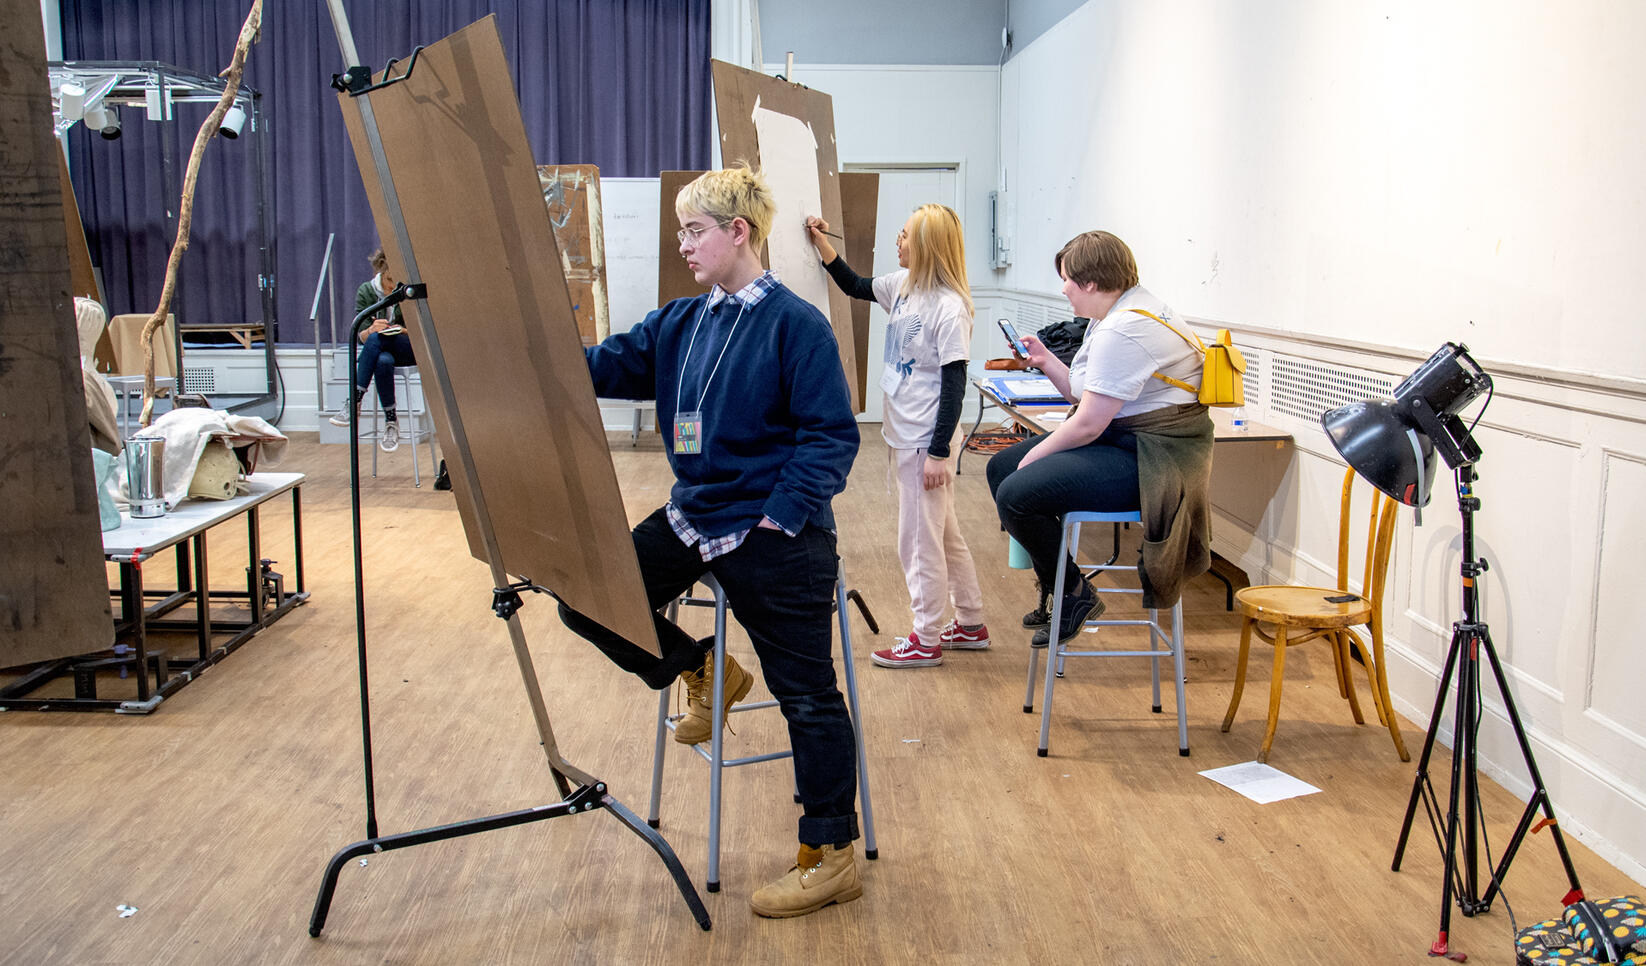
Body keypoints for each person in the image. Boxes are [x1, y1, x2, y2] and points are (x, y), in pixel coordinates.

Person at [556, 165, 864, 918]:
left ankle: (830, 851)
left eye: (695, 230)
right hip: (695, 517)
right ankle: (700, 668)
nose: (685, 244)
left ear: (738, 232)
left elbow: (831, 438)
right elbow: (596, 366)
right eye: (681, 231)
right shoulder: (683, 323)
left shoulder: (797, 325)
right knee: (588, 600)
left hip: (772, 531)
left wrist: (779, 515)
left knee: (808, 697)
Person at [986, 230, 1214, 648]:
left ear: (1091, 283)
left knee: (1016, 489)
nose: (1064, 288)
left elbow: (1088, 423)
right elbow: (1080, 391)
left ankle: (1075, 594)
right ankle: (1060, 587)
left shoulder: (1125, 330)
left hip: (1155, 460)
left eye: (1068, 279)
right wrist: (1044, 359)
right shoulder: (1113, 314)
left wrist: (1033, 456)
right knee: (1000, 468)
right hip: (1126, 441)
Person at [804, 206, 989, 668]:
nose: (897, 242)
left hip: (926, 439)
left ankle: (925, 637)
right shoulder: (902, 287)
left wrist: (938, 452)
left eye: (905, 236)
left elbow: (954, 386)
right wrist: (819, 242)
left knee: (917, 541)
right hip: (908, 433)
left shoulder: (948, 307)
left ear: (925, 246)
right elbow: (853, 284)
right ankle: (970, 623)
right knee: (944, 534)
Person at [331, 248, 416, 452]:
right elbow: (360, 336)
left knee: (378, 338)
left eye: (396, 282)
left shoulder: (408, 292)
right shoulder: (366, 291)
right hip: (381, 351)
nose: (391, 286)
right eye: (388, 280)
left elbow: (423, 332)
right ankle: (391, 422)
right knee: (381, 359)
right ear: (381, 273)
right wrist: (370, 329)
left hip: (408, 347)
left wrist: (400, 330)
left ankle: (354, 401)